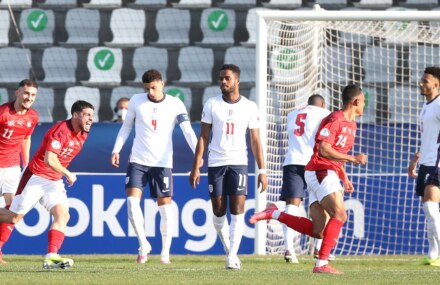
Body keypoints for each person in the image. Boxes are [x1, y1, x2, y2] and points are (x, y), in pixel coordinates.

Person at [250, 84, 367, 274]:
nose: (364, 105)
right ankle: (321, 264)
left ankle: (274, 213)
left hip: (323, 171)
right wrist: (353, 159)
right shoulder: (335, 118)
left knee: (318, 231)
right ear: (355, 102)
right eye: (363, 101)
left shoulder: (351, 125)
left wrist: (343, 176)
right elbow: (323, 149)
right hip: (320, 171)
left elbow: (337, 151)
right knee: (340, 214)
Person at [111, 69, 198, 264]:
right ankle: (143, 245)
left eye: (154, 87)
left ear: (162, 83)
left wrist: (197, 154)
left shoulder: (175, 103)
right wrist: (116, 149)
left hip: (162, 163)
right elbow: (126, 127)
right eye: (147, 88)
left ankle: (165, 253)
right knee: (132, 204)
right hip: (138, 161)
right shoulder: (136, 100)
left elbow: (187, 130)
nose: (151, 92)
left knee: (165, 210)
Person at [189, 64, 268, 270]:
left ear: (237, 81)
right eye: (221, 79)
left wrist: (262, 170)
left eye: (227, 78)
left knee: (238, 208)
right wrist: (196, 165)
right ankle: (229, 250)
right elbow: (203, 137)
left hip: (239, 163)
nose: (223, 82)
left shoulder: (250, 106)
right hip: (216, 163)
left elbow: (256, 141)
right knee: (218, 210)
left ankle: (232, 256)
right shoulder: (212, 104)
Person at [0, 100, 94, 269]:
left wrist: (61, 174)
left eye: (92, 116)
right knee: (13, 218)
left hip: (54, 181)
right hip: (35, 177)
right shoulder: (60, 131)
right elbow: (49, 159)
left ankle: (51, 257)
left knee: (63, 214)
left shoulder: (83, 134)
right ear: (75, 115)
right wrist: (68, 173)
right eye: (87, 115)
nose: (90, 119)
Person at [281, 94, 330, 264]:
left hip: (292, 162)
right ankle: (318, 248)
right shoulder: (325, 114)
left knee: (291, 206)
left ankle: (288, 247)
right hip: (313, 164)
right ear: (322, 104)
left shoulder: (292, 114)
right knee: (322, 204)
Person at [0, 79, 39, 264]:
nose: (28, 97)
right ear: (17, 93)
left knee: (13, 210)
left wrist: (27, 165)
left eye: (32, 95)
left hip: (12, 169)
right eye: (26, 93)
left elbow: (26, 139)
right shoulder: (3, 113)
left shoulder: (33, 117)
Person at [407, 66, 440, 266]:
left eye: (425, 81)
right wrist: (415, 158)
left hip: (437, 162)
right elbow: (426, 137)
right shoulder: (426, 105)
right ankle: (433, 255)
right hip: (426, 162)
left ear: (436, 84)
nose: (421, 83)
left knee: (430, 205)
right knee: (429, 211)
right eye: (422, 80)